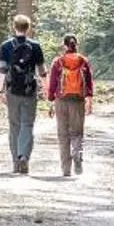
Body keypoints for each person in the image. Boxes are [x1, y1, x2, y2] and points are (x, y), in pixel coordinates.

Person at [0, 15, 46, 174]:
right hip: (29, 90)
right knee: (28, 125)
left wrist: (0, 90)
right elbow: (42, 71)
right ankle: (24, 156)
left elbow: (2, 71)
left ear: (14, 27)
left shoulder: (6, 46)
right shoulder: (35, 46)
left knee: (14, 125)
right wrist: (45, 89)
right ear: (28, 28)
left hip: (12, 91)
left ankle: (15, 162)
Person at [45, 33, 95, 176]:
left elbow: (53, 84)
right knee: (77, 133)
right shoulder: (83, 61)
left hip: (61, 101)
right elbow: (89, 83)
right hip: (78, 101)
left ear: (64, 45)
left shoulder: (58, 62)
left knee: (63, 134)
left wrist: (50, 100)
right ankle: (77, 153)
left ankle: (66, 169)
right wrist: (89, 101)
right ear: (76, 45)